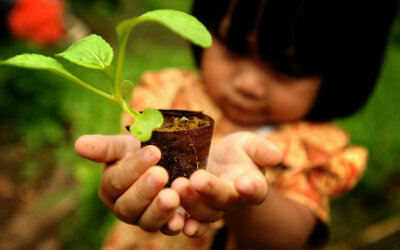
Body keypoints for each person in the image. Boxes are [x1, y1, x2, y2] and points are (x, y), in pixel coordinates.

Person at [74, 0, 398, 249]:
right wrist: (126, 176)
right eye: (234, 46)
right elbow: (134, 155)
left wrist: (239, 196)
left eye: (288, 69)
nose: (248, 84)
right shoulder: (171, 98)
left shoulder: (311, 145)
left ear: (339, 75)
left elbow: (292, 237)